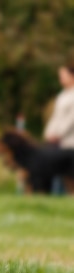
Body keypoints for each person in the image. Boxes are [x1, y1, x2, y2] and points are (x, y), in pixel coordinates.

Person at [44, 61, 74, 195]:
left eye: (63, 75)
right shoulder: (62, 96)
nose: (61, 78)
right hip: (59, 143)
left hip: (71, 142)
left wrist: (59, 134)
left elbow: (71, 119)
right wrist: (49, 132)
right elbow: (55, 117)